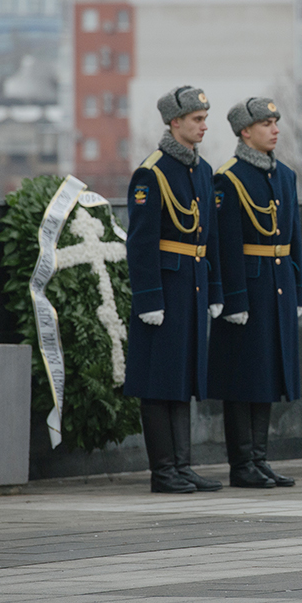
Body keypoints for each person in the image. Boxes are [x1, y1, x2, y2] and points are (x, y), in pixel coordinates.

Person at [125, 85, 224, 494]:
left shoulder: (201, 170)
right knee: (157, 381)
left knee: (183, 379)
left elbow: (210, 238)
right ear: (175, 122)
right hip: (164, 289)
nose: (203, 125)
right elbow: (141, 242)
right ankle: (163, 471)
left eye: (205, 118)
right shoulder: (152, 172)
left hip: (193, 286)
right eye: (197, 119)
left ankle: (182, 466)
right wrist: (149, 298)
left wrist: (215, 289)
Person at [208, 97, 302, 489]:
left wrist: (297, 290)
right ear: (245, 131)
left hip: (276, 285)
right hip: (247, 289)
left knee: (266, 374)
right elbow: (225, 244)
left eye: (276, 122)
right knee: (242, 378)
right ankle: (241, 463)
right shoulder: (227, 178)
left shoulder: (285, 176)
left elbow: (295, 239)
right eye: (266, 123)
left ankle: (260, 459)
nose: (275, 129)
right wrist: (233, 299)